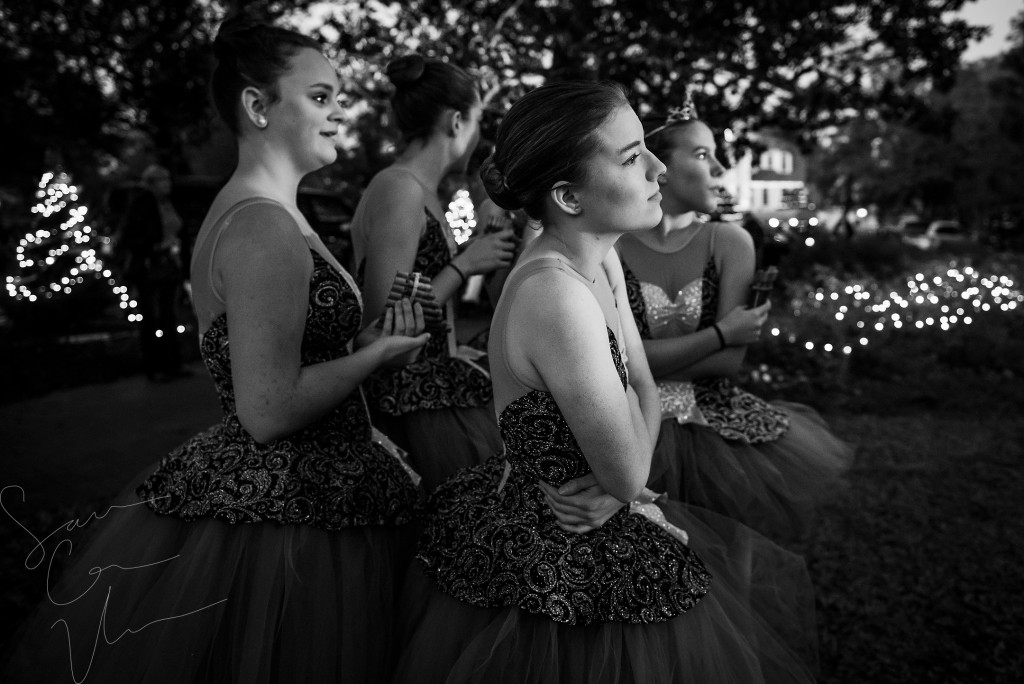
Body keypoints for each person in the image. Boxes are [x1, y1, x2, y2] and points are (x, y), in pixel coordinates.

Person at [2, 17, 428, 683]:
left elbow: (284, 351)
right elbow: (267, 408)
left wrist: (369, 337)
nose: (340, 112)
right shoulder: (260, 225)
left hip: (317, 489)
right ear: (257, 106)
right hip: (293, 519)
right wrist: (375, 357)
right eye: (320, 97)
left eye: (338, 96)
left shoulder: (272, 211)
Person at [392, 81, 819, 684]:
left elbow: (642, 382)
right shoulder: (555, 293)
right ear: (568, 196)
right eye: (630, 157)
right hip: (554, 553)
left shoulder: (602, 255)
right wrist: (623, 477)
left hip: (595, 518)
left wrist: (625, 466)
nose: (657, 169)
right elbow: (628, 471)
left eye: (648, 148)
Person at [615, 95, 853, 540]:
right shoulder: (613, 248)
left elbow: (728, 364)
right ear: (656, 166)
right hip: (630, 430)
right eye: (704, 154)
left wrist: (649, 358)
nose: (721, 169)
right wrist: (724, 332)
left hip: (716, 432)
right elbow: (617, 363)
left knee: (726, 560)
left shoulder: (730, 242)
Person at [349, 54, 515, 491]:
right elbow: (385, 321)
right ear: (457, 121)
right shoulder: (401, 189)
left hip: (438, 382)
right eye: (479, 120)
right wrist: (465, 265)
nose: (479, 135)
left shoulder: (420, 191)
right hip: (411, 404)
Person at [119, 164, 190, 381]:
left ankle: (172, 364)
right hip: (150, 266)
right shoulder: (141, 205)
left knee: (168, 314)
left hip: (169, 264)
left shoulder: (168, 203)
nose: (167, 184)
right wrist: (154, 246)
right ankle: (154, 366)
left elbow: (179, 229)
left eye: (168, 179)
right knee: (151, 317)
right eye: (162, 180)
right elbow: (131, 236)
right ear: (151, 184)